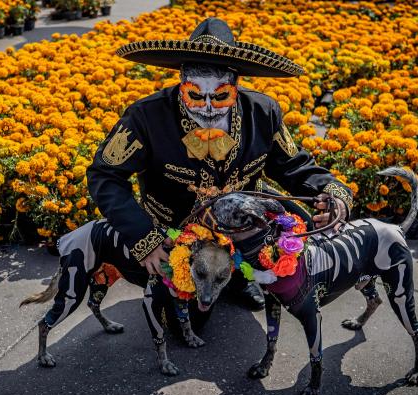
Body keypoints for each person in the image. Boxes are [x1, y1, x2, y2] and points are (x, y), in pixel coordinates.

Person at [86, 17, 353, 310]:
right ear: (181, 84)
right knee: (186, 319)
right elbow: (105, 175)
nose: (209, 107)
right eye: (196, 95)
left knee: (297, 272)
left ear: (236, 86)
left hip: (245, 230)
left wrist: (334, 192)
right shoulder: (146, 117)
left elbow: (291, 165)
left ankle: (239, 277)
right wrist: (143, 238)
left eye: (221, 96)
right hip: (176, 236)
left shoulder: (262, 112)